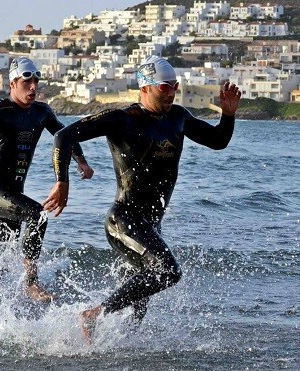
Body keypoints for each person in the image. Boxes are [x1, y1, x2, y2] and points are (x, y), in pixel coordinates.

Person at [43, 55, 241, 344]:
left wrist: (229, 115)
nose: (172, 91)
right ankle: (93, 315)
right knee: (167, 272)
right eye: (164, 86)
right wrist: (62, 181)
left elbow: (218, 141)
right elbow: (63, 136)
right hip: (123, 220)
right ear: (146, 87)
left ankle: (102, 349)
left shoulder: (178, 117)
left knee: (137, 309)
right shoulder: (122, 119)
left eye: (175, 85)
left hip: (150, 224)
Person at [0, 57, 94, 303]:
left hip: (13, 193)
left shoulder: (42, 112)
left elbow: (64, 135)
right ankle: (31, 283)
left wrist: (81, 160)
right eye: (27, 82)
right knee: (37, 214)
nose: (33, 87)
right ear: (13, 83)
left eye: (36, 81)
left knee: (0, 260)